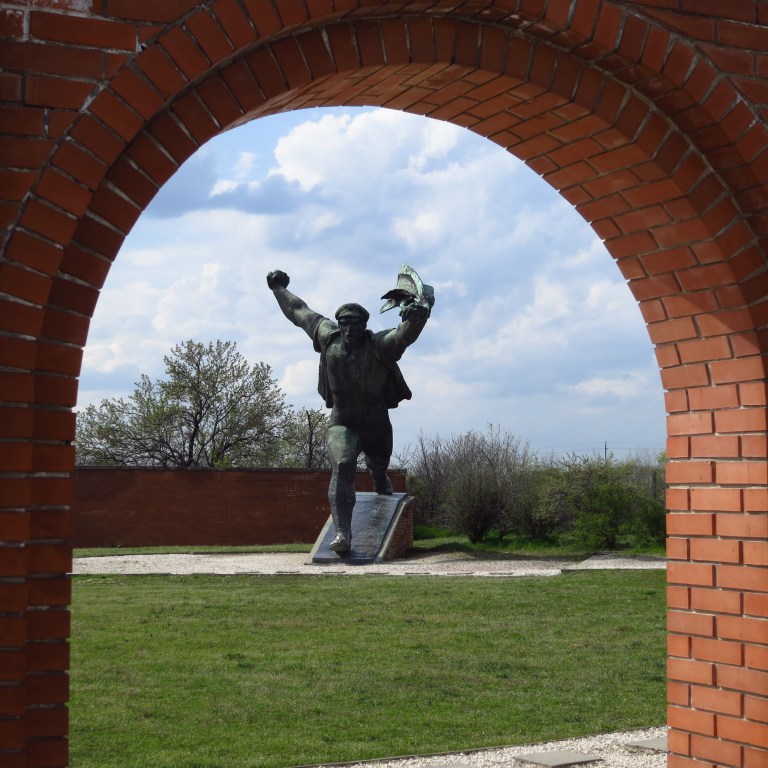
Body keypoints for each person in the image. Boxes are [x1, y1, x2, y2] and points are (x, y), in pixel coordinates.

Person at [266, 269, 431, 554]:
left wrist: (416, 319)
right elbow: (298, 311)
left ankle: (379, 476)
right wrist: (278, 288)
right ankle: (343, 533)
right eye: (344, 323)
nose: (349, 329)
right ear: (338, 325)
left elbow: (402, 336)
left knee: (379, 466)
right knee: (342, 466)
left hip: (376, 424)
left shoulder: (378, 346)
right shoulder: (328, 339)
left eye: (355, 324)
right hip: (343, 423)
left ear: (364, 326)